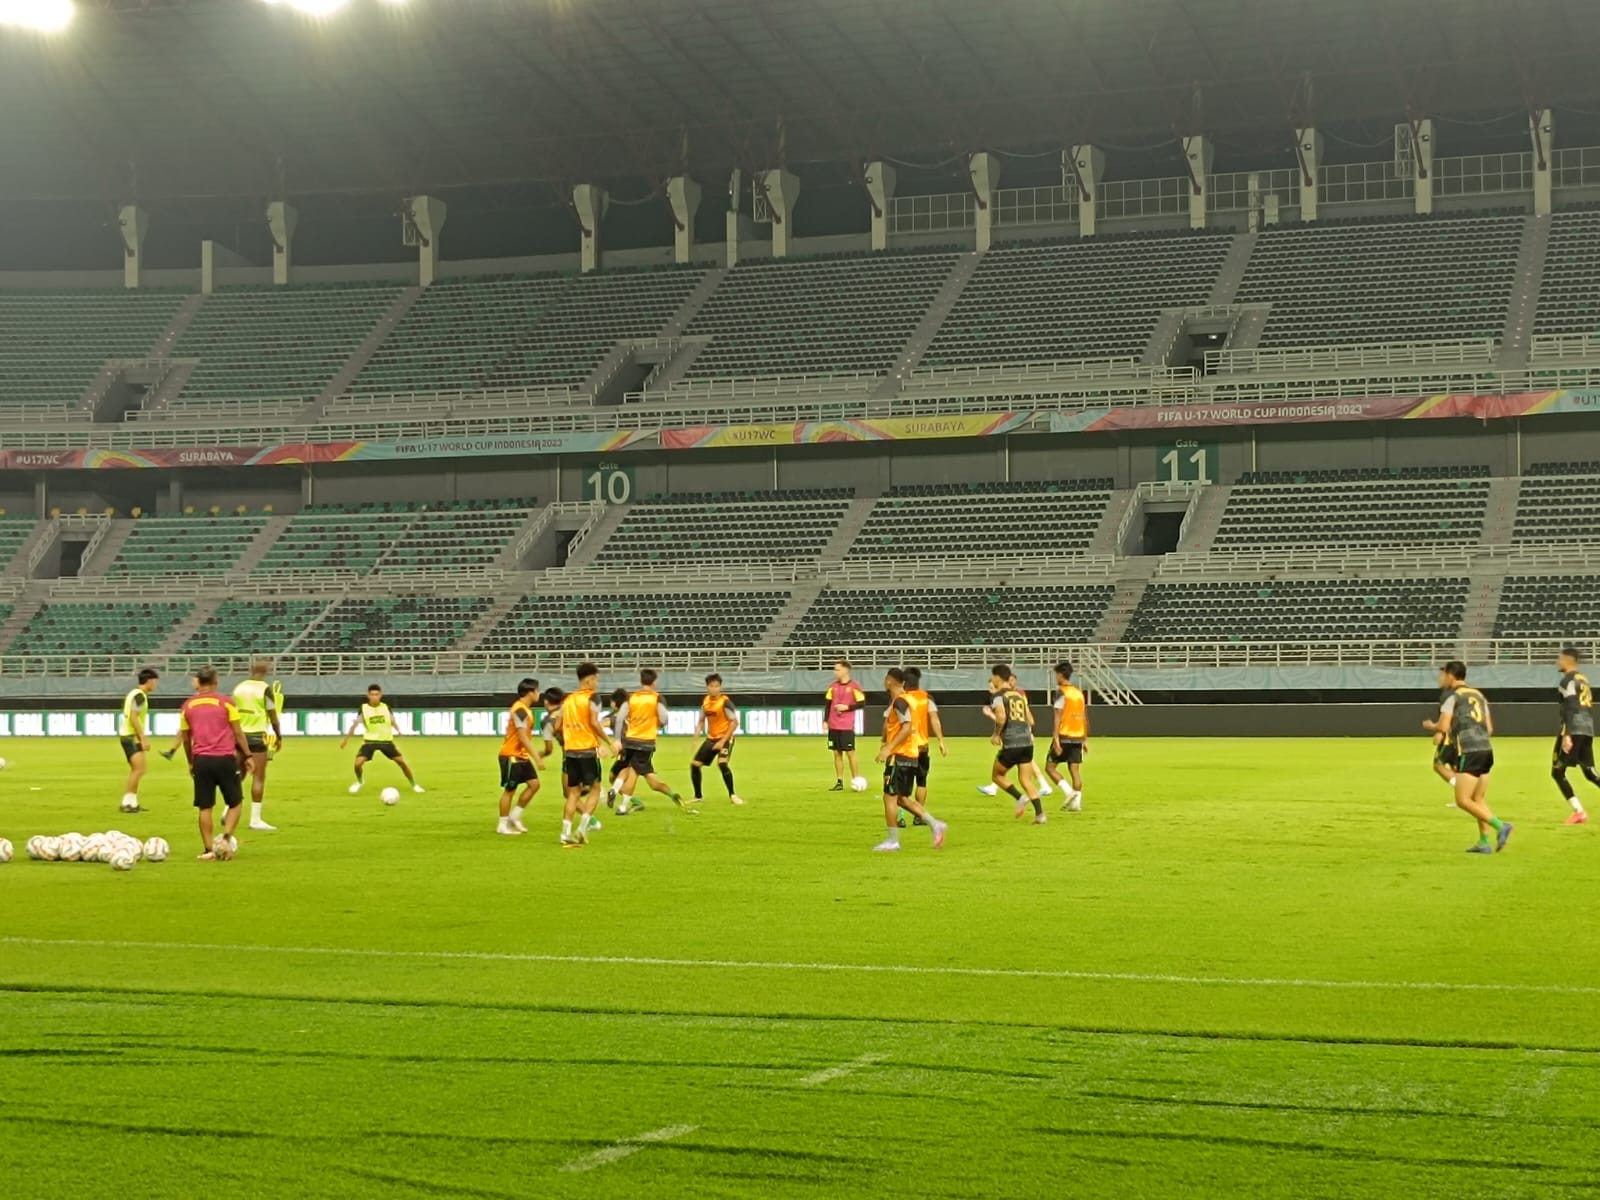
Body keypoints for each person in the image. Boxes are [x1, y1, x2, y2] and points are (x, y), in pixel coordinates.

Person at [1435, 660, 1514, 855]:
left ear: (1451, 675)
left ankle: (1500, 825)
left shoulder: (1452, 697)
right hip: (1486, 749)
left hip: (1469, 751)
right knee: (1477, 798)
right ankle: (1483, 842)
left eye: (1443, 674)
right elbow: (1489, 728)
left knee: (1463, 800)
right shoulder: (1479, 696)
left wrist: (1431, 726)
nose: (1441, 678)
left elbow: (1443, 727)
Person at [178, 665, 251, 862]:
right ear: (215, 682)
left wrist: (191, 762)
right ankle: (226, 839)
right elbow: (237, 732)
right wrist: (248, 755)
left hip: (201, 760)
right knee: (235, 803)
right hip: (225, 759)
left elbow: (185, 738)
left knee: (205, 807)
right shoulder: (227, 703)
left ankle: (208, 849)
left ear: (199, 682)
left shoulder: (187, 706)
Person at [872, 668, 948, 852]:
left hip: (899, 755)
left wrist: (889, 748)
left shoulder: (899, 702)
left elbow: (907, 727)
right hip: (912, 754)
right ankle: (934, 824)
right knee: (902, 799)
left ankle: (892, 840)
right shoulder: (911, 700)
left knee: (889, 797)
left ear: (890, 681)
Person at [611, 668, 691, 814]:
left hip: (630, 740)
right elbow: (664, 718)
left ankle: (616, 790)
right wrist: (658, 723)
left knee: (648, 779)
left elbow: (620, 718)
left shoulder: (632, 697)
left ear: (641, 681)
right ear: (654, 681)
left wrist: (617, 739)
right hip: (646, 742)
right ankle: (623, 806)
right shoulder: (656, 698)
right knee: (634, 771)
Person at [555, 663, 612, 846]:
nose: (597, 683)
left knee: (573, 793)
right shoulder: (593, 697)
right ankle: (582, 828)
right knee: (595, 789)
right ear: (589, 679)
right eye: (596, 679)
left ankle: (565, 833)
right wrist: (609, 743)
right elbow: (595, 723)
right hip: (587, 750)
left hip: (571, 751)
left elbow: (557, 727)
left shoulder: (568, 700)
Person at [982, 663, 1045, 823]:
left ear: (997, 677)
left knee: (997, 775)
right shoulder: (1019, 695)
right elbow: (1031, 720)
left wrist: (996, 734)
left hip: (1011, 743)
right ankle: (1040, 815)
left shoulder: (997, 696)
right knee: (1026, 780)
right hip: (1027, 742)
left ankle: (1020, 798)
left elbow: (1001, 717)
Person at [341, 683, 423, 798]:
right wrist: (346, 740)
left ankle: (414, 785)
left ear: (380, 695)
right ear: (368, 695)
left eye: (376, 694)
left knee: (402, 763)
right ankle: (360, 781)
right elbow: (354, 725)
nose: (374, 697)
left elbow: (392, 721)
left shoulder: (385, 707)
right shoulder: (364, 709)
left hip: (386, 741)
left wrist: (399, 730)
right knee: (357, 764)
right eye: (372, 694)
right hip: (370, 741)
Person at [233, 658, 284, 832]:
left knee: (238, 774)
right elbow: (273, 716)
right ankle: (255, 819)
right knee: (258, 776)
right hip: (256, 737)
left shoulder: (238, 688)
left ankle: (228, 809)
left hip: (238, 736)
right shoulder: (265, 689)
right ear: (265, 672)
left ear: (251, 670)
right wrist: (278, 736)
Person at [492, 678, 544, 836]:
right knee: (510, 790)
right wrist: (537, 757)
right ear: (530, 692)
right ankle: (502, 825)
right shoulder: (520, 710)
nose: (539, 694)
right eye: (537, 690)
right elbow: (522, 736)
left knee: (534, 784)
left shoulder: (525, 709)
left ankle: (514, 816)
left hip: (520, 755)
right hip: (511, 755)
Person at [1551, 645, 1596, 825]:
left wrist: (1567, 734)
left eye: (1559, 658)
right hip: (1587, 728)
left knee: (1557, 771)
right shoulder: (1583, 679)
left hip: (1574, 728)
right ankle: (1579, 812)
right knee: (1590, 772)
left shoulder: (1567, 681)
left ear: (1568, 660)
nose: (1557, 662)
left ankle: (1579, 812)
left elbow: (1570, 707)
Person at [902, 667, 947, 819]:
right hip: (922, 746)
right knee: (921, 781)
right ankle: (918, 816)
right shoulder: (926, 697)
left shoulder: (900, 698)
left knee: (902, 784)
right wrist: (941, 740)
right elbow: (934, 719)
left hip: (904, 747)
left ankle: (901, 817)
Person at [691, 673, 742, 805]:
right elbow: (701, 720)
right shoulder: (706, 702)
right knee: (695, 765)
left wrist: (722, 741)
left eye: (717, 686)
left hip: (725, 738)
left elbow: (735, 723)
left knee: (722, 763)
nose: (714, 689)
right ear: (707, 687)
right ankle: (698, 796)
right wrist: (696, 736)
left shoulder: (725, 702)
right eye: (711, 686)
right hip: (711, 738)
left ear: (720, 687)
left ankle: (733, 795)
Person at [1046, 661, 1088, 812]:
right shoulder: (1078, 693)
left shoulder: (1060, 692)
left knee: (1050, 768)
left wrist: (1055, 738)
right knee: (1075, 770)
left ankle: (1069, 793)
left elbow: (1057, 716)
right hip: (1078, 736)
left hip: (1064, 735)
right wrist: (1084, 739)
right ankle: (1076, 804)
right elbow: (1083, 716)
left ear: (1060, 675)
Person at [118, 667, 159, 814]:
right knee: (139, 770)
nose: (155, 685)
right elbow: (134, 716)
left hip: (127, 735)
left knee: (137, 770)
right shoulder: (140, 696)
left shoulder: (133, 693)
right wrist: (142, 737)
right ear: (149, 681)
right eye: (155, 681)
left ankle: (131, 802)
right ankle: (128, 803)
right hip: (131, 736)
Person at [824, 659, 867, 791]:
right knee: (836, 753)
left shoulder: (854, 686)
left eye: (837, 669)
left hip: (846, 725)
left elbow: (862, 703)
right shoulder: (832, 686)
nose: (835, 672)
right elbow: (828, 704)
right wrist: (825, 720)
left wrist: (847, 707)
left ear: (846, 670)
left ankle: (856, 780)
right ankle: (839, 781)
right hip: (833, 725)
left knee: (850, 753)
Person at [1422, 677, 1460, 807]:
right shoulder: (1463, 693)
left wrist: (1439, 731)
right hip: (1460, 736)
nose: (1439, 678)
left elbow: (1448, 716)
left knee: (1438, 765)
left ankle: (1463, 790)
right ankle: (1461, 799)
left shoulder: (1448, 695)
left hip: (1449, 736)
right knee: (1456, 767)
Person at [603, 687, 632, 809]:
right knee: (613, 776)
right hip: (635, 745)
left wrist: (609, 743)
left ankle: (617, 792)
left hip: (625, 748)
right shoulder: (630, 713)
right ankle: (630, 799)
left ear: (614, 702)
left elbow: (599, 725)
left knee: (624, 772)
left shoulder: (614, 717)